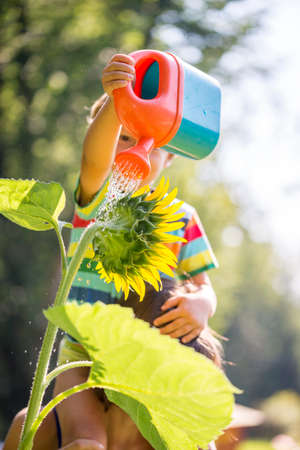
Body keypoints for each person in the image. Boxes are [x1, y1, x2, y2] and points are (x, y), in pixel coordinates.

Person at [4, 53, 220, 450]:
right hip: (81, 350)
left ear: (170, 155)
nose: (133, 150)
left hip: (145, 351)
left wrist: (202, 305)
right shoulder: (100, 200)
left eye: (148, 144)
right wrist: (116, 99)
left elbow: (203, 285)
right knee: (86, 442)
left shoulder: (181, 217)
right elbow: (94, 160)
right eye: (123, 136)